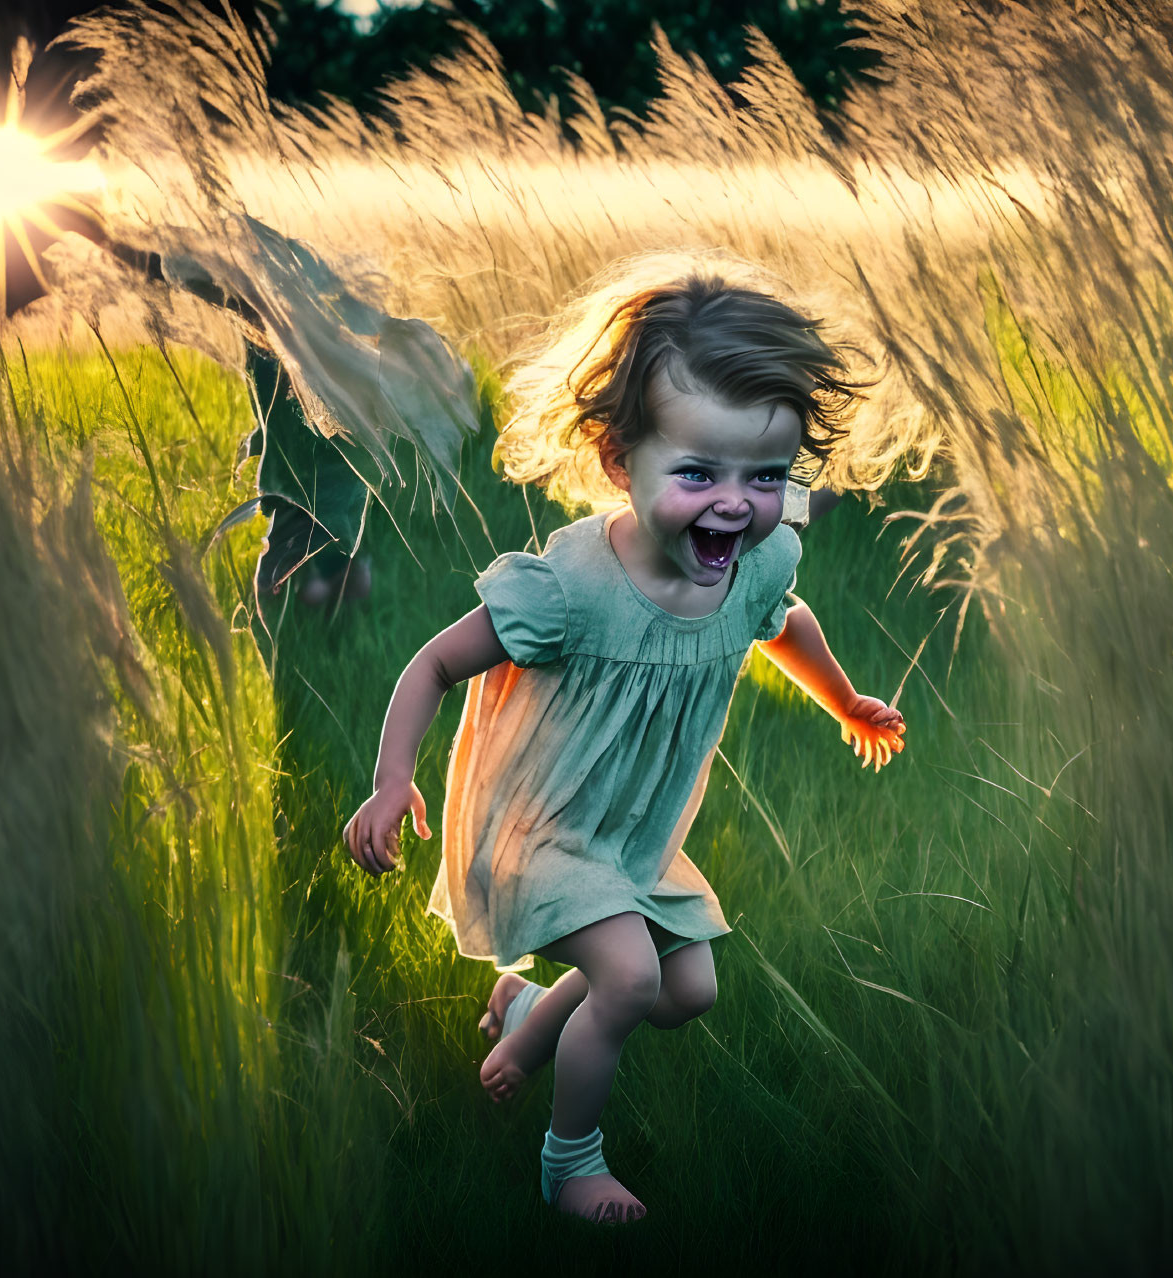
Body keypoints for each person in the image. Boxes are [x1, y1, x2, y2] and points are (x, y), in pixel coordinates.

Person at [341, 268, 906, 1227]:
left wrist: (845, 700)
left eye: (764, 477)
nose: (735, 505)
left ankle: (524, 1022)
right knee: (631, 972)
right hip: (541, 827)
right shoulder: (570, 587)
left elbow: (783, 619)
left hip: (633, 834)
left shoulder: (758, 561)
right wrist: (392, 781)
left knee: (683, 990)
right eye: (698, 474)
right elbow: (434, 665)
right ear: (618, 460)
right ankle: (572, 1165)